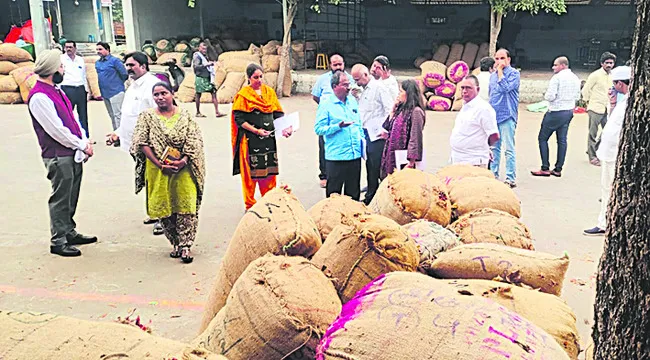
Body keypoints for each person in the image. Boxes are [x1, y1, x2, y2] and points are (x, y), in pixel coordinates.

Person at [28, 49, 97, 257]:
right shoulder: (40, 96)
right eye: (60, 66)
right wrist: (80, 145)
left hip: (71, 152)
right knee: (60, 197)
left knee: (71, 194)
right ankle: (58, 240)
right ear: (51, 70)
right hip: (58, 155)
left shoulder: (57, 90)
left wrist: (83, 140)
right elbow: (56, 130)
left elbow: (73, 119)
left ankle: (68, 230)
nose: (63, 69)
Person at [130, 82, 205, 263]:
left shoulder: (185, 116)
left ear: (173, 94)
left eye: (164, 93)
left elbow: (194, 140)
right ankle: (176, 243)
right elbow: (141, 142)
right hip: (158, 170)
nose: (160, 97)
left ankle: (186, 245)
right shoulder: (147, 117)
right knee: (164, 207)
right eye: (156, 95)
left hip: (184, 169)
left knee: (186, 205)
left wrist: (183, 161)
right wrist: (159, 164)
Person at [105, 52, 163, 235]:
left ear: (144, 66)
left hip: (151, 144)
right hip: (134, 144)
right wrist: (117, 134)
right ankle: (155, 213)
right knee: (146, 179)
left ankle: (163, 218)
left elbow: (160, 114)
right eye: (127, 65)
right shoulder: (131, 87)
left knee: (157, 180)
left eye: (132, 65)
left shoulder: (152, 85)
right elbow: (128, 117)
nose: (128, 69)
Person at [231, 64, 292, 210]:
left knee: (269, 172)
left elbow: (277, 114)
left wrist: (285, 128)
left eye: (260, 76)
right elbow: (239, 119)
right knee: (250, 175)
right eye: (255, 77)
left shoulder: (269, 92)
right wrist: (256, 131)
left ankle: (269, 200)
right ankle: (250, 204)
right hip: (250, 142)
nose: (259, 80)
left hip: (269, 140)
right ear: (249, 78)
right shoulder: (243, 95)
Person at [583, 66, 630, 236]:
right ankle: (604, 222)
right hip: (608, 153)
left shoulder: (630, 103)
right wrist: (612, 103)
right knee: (606, 188)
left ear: (620, 84)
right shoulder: (622, 102)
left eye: (614, 84)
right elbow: (612, 121)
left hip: (615, 154)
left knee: (610, 189)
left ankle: (607, 223)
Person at [315, 70, 363, 200]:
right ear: (335, 86)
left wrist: (362, 142)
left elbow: (358, 123)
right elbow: (319, 129)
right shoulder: (326, 104)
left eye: (349, 84)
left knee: (353, 195)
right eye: (345, 85)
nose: (349, 88)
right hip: (337, 158)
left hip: (354, 156)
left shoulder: (352, 101)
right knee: (334, 196)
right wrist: (337, 127)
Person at [531, 56, 581, 177]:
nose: (553, 67)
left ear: (563, 65)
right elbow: (578, 97)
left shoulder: (557, 78)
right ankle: (558, 168)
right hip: (568, 111)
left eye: (555, 65)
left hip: (555, 112)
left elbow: (550, 96)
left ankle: (545, 167)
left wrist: (545, 95)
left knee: (542, 138)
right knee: (562, 140)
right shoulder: (576, 78)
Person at [351, 63, 393, 204]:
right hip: (365, 132)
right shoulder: (363, 90)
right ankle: (371, 192)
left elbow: (389, 109)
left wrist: (386, 130)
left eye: (357, 79)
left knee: (375, 166)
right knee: (369, 164)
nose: (356, 83)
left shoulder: (379, 88)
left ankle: (374, 196)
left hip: (377, 134)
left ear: (365, 75)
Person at [312, 54, 355, 188]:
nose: (338, 67)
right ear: (330, 65)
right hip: (328, 118)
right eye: (335, 65)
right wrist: (327, 108)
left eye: (340, 64)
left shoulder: (350, 79)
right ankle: (324, 175)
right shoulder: (323, 79)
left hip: (346, 118)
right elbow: (315, 96)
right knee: (324, 148)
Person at [450, 75, 500, 167]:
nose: (464, 91)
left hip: (474, 161)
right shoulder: (465, 106)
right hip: (458, 158)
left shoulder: (483, 109)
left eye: (468, 88)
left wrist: (483, 147)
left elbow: (494, 135)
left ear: (478, 89)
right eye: (462, 88)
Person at [380, 79, 426, 179]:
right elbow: (388, 127)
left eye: (401, 91)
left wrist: (411, 162)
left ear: (408, 94)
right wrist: (393, 110)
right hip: (393, 155)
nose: (398, 94)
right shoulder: (401, 109)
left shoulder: (416, 112)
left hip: (405, 159)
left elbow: (415, 137)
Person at [489, 48, 520, 188]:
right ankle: (493, 174)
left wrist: (501, 72)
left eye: (502, 58)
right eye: (497, 59)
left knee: (509, 148)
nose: (499, 62)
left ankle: (510, 177)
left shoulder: (514, 74)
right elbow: (492, 94)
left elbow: (505, 88)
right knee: (494, 147)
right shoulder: (492, 76)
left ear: (508, 60)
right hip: (495, 115)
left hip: (507, 115)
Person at [582, 52, 616, 166]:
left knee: (607, 132)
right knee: (593, 133)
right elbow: (585, 90)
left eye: (611, 63)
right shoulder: (595, 75)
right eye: (607, 63)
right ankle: (592, 157)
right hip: (595, 107)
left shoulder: (613, 75)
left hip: (607, 108)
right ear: (602, 63)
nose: (609, 65)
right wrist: (588, 102)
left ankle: (593, 148)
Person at [95, 42, 128, 138]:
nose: (98, 51)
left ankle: (121, 137)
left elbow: (124, 74)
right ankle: (115, 135)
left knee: (118, 115)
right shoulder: (98, 63)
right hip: (105, 93)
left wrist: (117, 83)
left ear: (107, 50)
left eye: (100, 49)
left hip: (116, 91)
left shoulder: (115, 61)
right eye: (97, 50)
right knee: (112, 115)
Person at [60, 41, 90, 137]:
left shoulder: (80, 60)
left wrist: (86, 89)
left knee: (83, 114)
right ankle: (69, 135)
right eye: (66, 47)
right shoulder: (61, 59)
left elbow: (84, 75)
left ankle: (85, 136)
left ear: (75, 48)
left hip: (80, 89)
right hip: (67, 88)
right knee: (67, 114)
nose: (68, 49)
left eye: (70, 47)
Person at [193, 42, 226, 118]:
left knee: (213, 92)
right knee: (198, 94)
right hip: (201, 78)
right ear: (199, 48)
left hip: (207, 78)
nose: (204, 50)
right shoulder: (197, 56)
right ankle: (198, 112)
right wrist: (207, 64)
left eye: (205, 49)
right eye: (203, 48)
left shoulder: (204, 56)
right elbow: (196, 66)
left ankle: (217, 112)